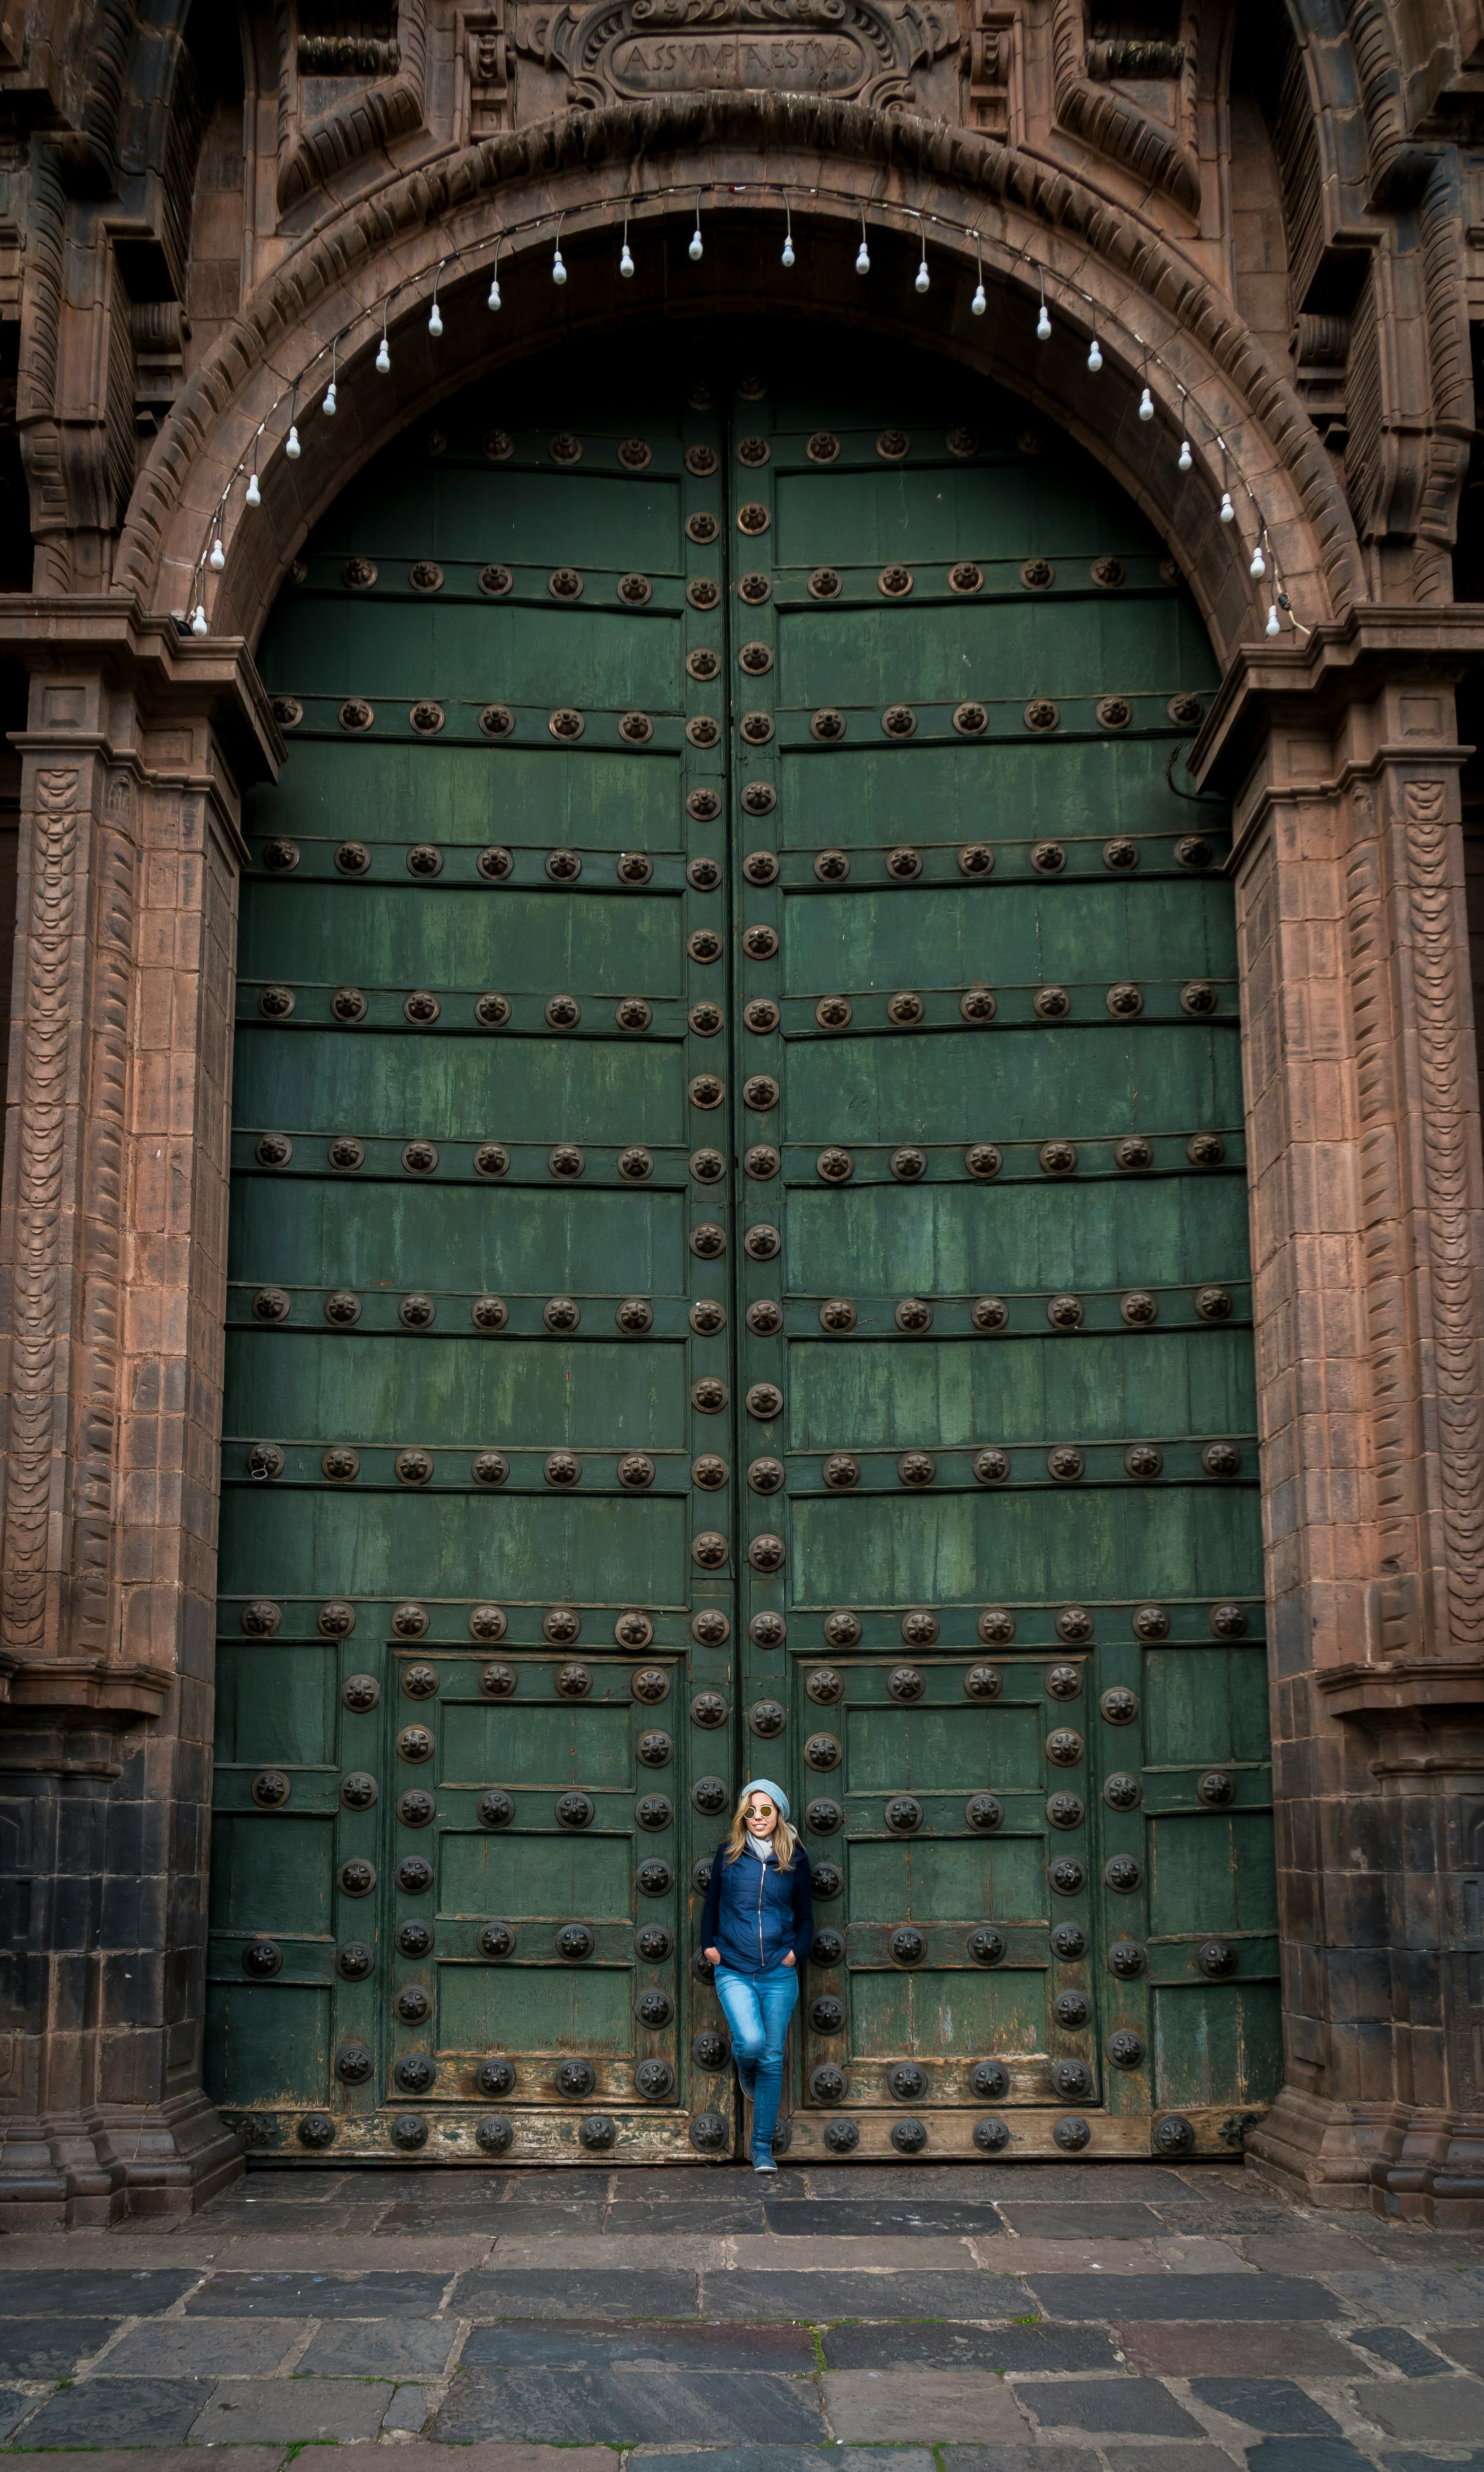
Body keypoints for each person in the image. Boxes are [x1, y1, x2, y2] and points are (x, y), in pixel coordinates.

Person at [698, 1778, 813, 2173]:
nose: (758, 1818)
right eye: (751, 1811)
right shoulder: (728, 1855)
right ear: (742, 1816)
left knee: (772, 2058)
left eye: (766, 1810)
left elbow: (805, 1916)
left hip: (778, 1972)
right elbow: (712, 1902)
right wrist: (708, 1945)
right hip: (733, 1966)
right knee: (750, 2044)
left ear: (778, 1814)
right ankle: (743, 2066)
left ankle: (761, 2149)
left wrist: (796, 1953)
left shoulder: (795, 1859)